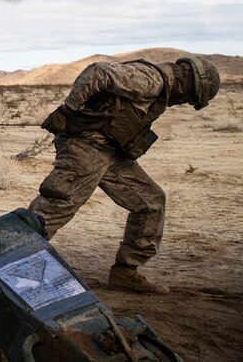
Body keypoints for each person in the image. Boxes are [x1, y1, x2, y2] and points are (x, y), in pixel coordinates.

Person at [29, 56, 219, 294]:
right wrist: (66, 111)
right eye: (191, 97)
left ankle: (126, 272)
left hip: (110, 151)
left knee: (150, 202)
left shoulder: (159, 88)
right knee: (57, 206)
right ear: (188, 82)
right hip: (84, 147)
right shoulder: (151, 80)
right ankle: (7, 253)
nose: (185, 102)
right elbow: (98, 72)